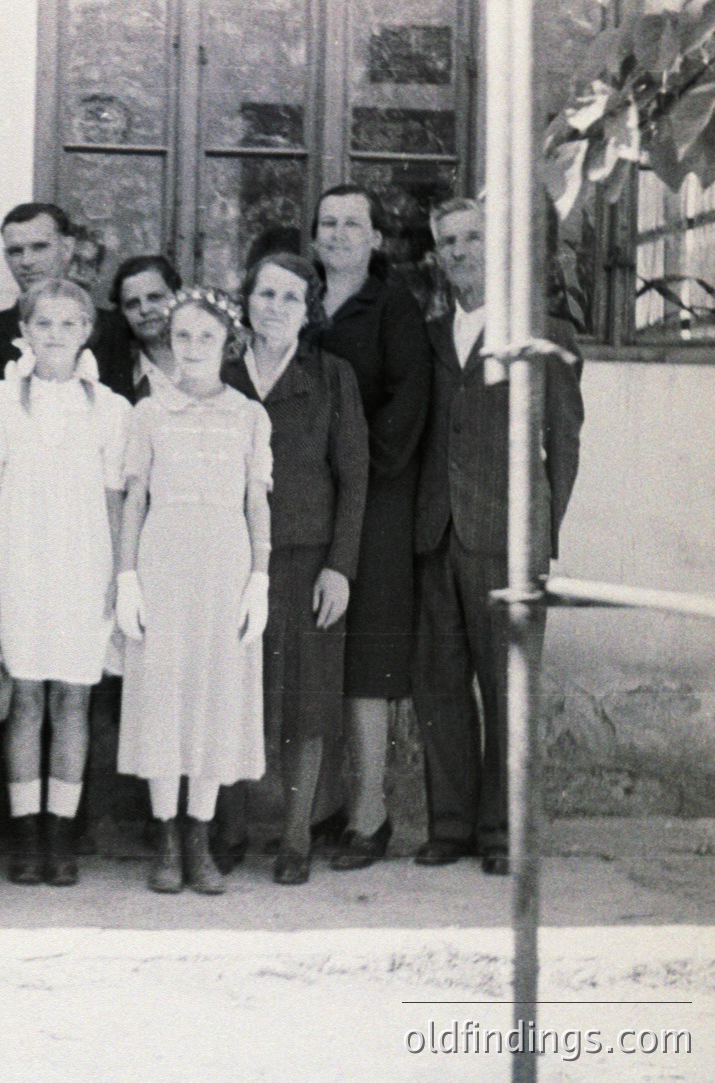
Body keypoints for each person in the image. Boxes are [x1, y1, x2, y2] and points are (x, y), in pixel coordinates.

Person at [413, 197, 583, 876]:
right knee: (440, 687)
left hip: (505, 540)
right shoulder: (431, 332)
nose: (458, 251)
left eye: (471, 238)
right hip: (435, 533)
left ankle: (502, 831)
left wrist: (537, 533)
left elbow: (562, 445)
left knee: (507, 687)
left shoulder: (539, 334)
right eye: (447, 241)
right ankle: (449, 826)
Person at [0, 278, 131, 887]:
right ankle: (27, 832)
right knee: (26, 700)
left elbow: (116, 500)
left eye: (68, 325)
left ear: (86, 331)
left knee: (73, 700)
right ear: (24, 332)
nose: (56, 336)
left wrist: (121, 577)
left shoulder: (112, 409)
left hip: (83, 570)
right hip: (21, 566)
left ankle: (62, 833)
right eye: (44, 324)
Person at [219, 253, 369, 886]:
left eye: (289, 296)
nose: (274, 306)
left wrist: (340, 567)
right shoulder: (220, 374)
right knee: (231, 691)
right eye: (264, 293)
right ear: (246, 300)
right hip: (227, 559)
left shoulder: (333, 377)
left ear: (308, 309)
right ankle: (226, 829)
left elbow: (355, 479)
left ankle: (296, 834)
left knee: (307, 699)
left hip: (306, 560)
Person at [116, 289, 271, 896]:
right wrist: (127, 575)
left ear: (228, 341)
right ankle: (164, 835)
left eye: (206, 337)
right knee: (164, 690)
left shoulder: (249, 415)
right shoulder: (149, 412)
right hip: (164, 556)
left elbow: (257, 500)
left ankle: (199, 836)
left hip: (225, 559)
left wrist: (259, 577)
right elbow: (134, 497)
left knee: (213, 690)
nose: (193, 348)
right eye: (182, 336)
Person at [309, 184, 434, 871]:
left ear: (375, 238)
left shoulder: (393, 308)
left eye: (351, 224)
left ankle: (371, 814)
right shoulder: (300, 300)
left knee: (367, 659)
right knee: (317, 650)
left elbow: (406, 406)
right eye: (326, 223)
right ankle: (325, 804)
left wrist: (353, 469)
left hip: (378, 499)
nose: (337, 234)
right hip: (310, 498)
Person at [0, 203, 129, 397]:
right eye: (15, 251)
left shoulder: (111, 328)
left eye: (39, 247)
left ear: (67, 248)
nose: (26, 261)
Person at [110, 255, 184, 403]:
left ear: (178, 297)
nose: (144, 309)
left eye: (154, 298)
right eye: (133, 304)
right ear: (122, 313)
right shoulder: (122, 377)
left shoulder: (215, 361)